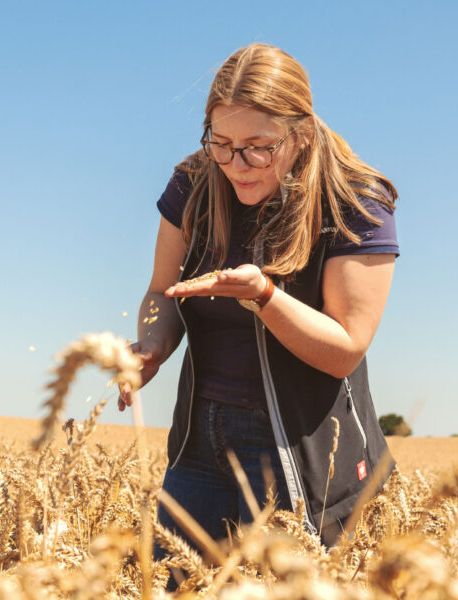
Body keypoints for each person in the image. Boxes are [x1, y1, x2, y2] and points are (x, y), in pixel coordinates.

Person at [118, 43, 399, 555]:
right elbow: (162, 293)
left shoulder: (356, 201)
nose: (236, 163)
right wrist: (150, 346)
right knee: (169, 581)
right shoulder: (194, 183)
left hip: (302, 452)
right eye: (220, 142)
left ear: (303, 132)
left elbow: (345, 350)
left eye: (258, 146)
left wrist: (265, 297)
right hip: (199, 441)